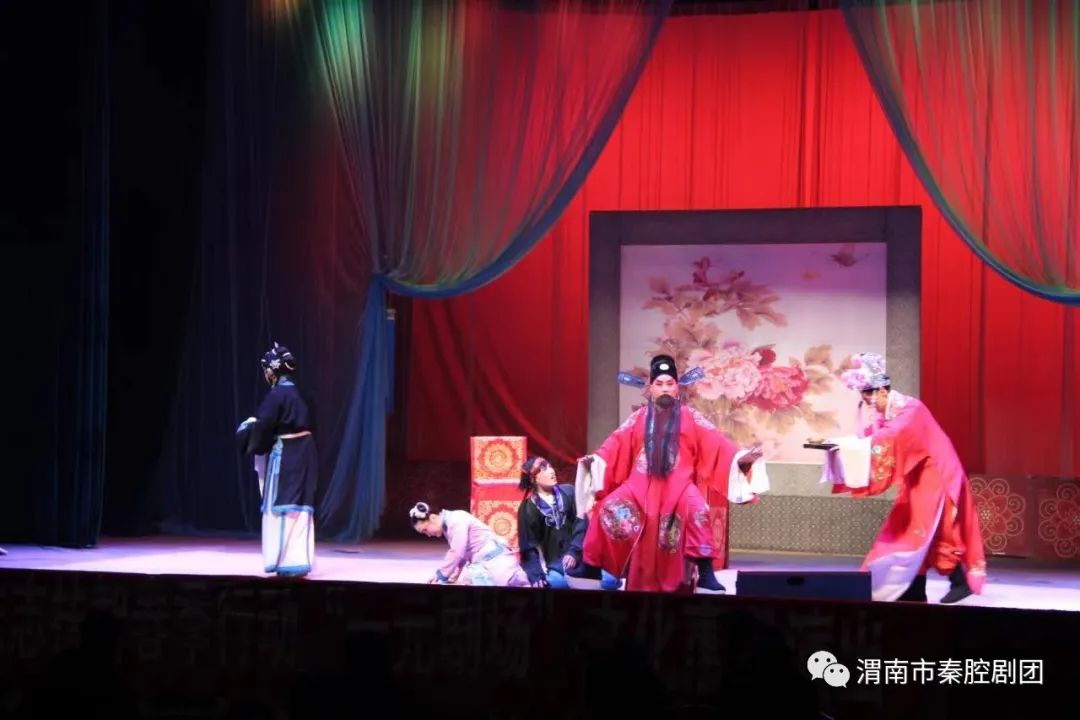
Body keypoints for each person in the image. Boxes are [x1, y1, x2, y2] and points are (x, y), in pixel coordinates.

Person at [571, 354, 769, 593]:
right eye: (659, 384)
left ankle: (706, 573)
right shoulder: (639, 418)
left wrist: (742, 459)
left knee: (698, 511)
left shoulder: (690, 417)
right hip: (639, 487)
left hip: (679, 486)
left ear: (677, 388)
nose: (665, 388)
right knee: (607, 507)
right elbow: (615, 445)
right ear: (650, 388)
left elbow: (717, 444)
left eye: (669, 383)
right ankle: (591, 566)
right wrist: (595, 461)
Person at [813, 352, 986, 603]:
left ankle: (957, 581)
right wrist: (836, 443)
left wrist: (849, 445)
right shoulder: (891, 414)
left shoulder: (911, 410)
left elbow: (888, 438)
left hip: (937, 476)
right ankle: (914, 589)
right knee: (910, 529)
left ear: (883, 391)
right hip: (918, 478)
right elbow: (869, 438)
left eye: (870, 397)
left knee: (925, 531)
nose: (869, 403)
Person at [236, 342, 318, 577]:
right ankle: (299, 560)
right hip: (306, 453)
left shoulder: (277, 395)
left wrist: (248, 432)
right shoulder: (302, 393)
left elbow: (263, 426)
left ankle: (283, 560)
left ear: (273, 370)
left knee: (281, 506)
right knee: (300, 508)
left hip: (287, 455)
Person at [517, 455, 620, 590]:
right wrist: (536, 575)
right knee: (554, 584)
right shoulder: (528, 508)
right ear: (533, 478)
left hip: (582, 557)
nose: (551, 470)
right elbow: (528, 548)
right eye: (543, 468)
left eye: (549, 466)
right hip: (558, 566)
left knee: (611, 580)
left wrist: (574, 551)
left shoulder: (569, 491)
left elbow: (581, 521)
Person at [409, 501, 531, 587]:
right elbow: (461, 554)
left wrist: (441, 574)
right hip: (485, 561)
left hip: (495, 561)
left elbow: (457, 552)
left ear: (433, 518)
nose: (428, 535)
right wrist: (452, 574)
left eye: (425, 530)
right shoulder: (448, 523)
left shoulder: (456, 520)